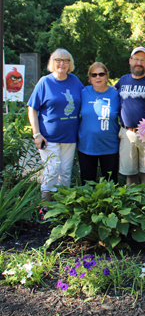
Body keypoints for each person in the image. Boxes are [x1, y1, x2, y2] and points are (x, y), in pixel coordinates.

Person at [27, 48, 83, 202]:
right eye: (58, 60)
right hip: (48, 137)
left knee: (65, 172)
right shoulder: (45, 82)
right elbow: (32, 109)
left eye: (66, 60)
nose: (62, 63)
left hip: (70, 137)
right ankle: (45, 206)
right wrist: (36, 134)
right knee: (52, 170)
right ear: (52, 62)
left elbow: (87, 98)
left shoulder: (75, 81)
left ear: (70, 64)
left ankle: (62, 206)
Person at [115, 47, 145, 185]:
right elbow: (111, 95)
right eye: (136, 59)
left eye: (142, 60)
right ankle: (131, 203)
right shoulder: (123, 80)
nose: (138, 63)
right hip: (127, 132)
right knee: (130, 173)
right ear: (130, 61)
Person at [78, 62, 121, 184]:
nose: (98, 77)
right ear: (89, 78)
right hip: (87, 145)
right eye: (94, 75)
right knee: (87, 184)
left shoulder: (116, 94)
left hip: (110, 146)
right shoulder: (83, 93)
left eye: (101, 74)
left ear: (107, 76)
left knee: (110, 184)